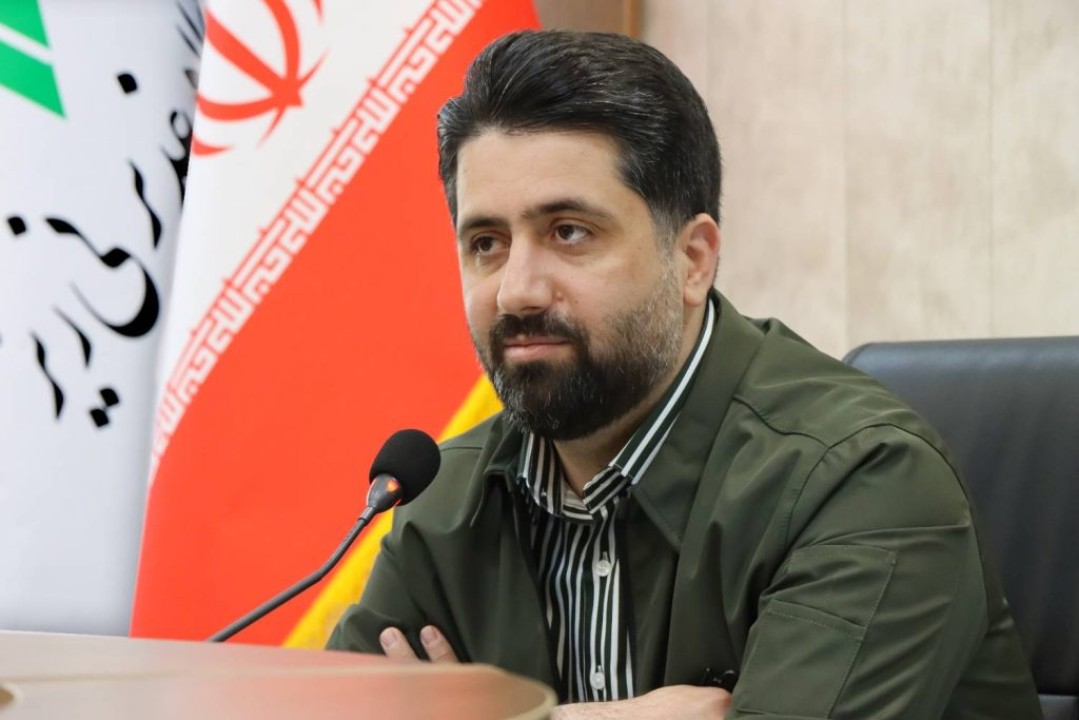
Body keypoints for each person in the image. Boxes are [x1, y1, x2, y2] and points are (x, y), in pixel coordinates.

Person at [327, 30, 1041, 719]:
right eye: (486, 243)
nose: (516, 291)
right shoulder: (440, 498)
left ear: (693, 260)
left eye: (568, 232)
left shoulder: (862, 480)